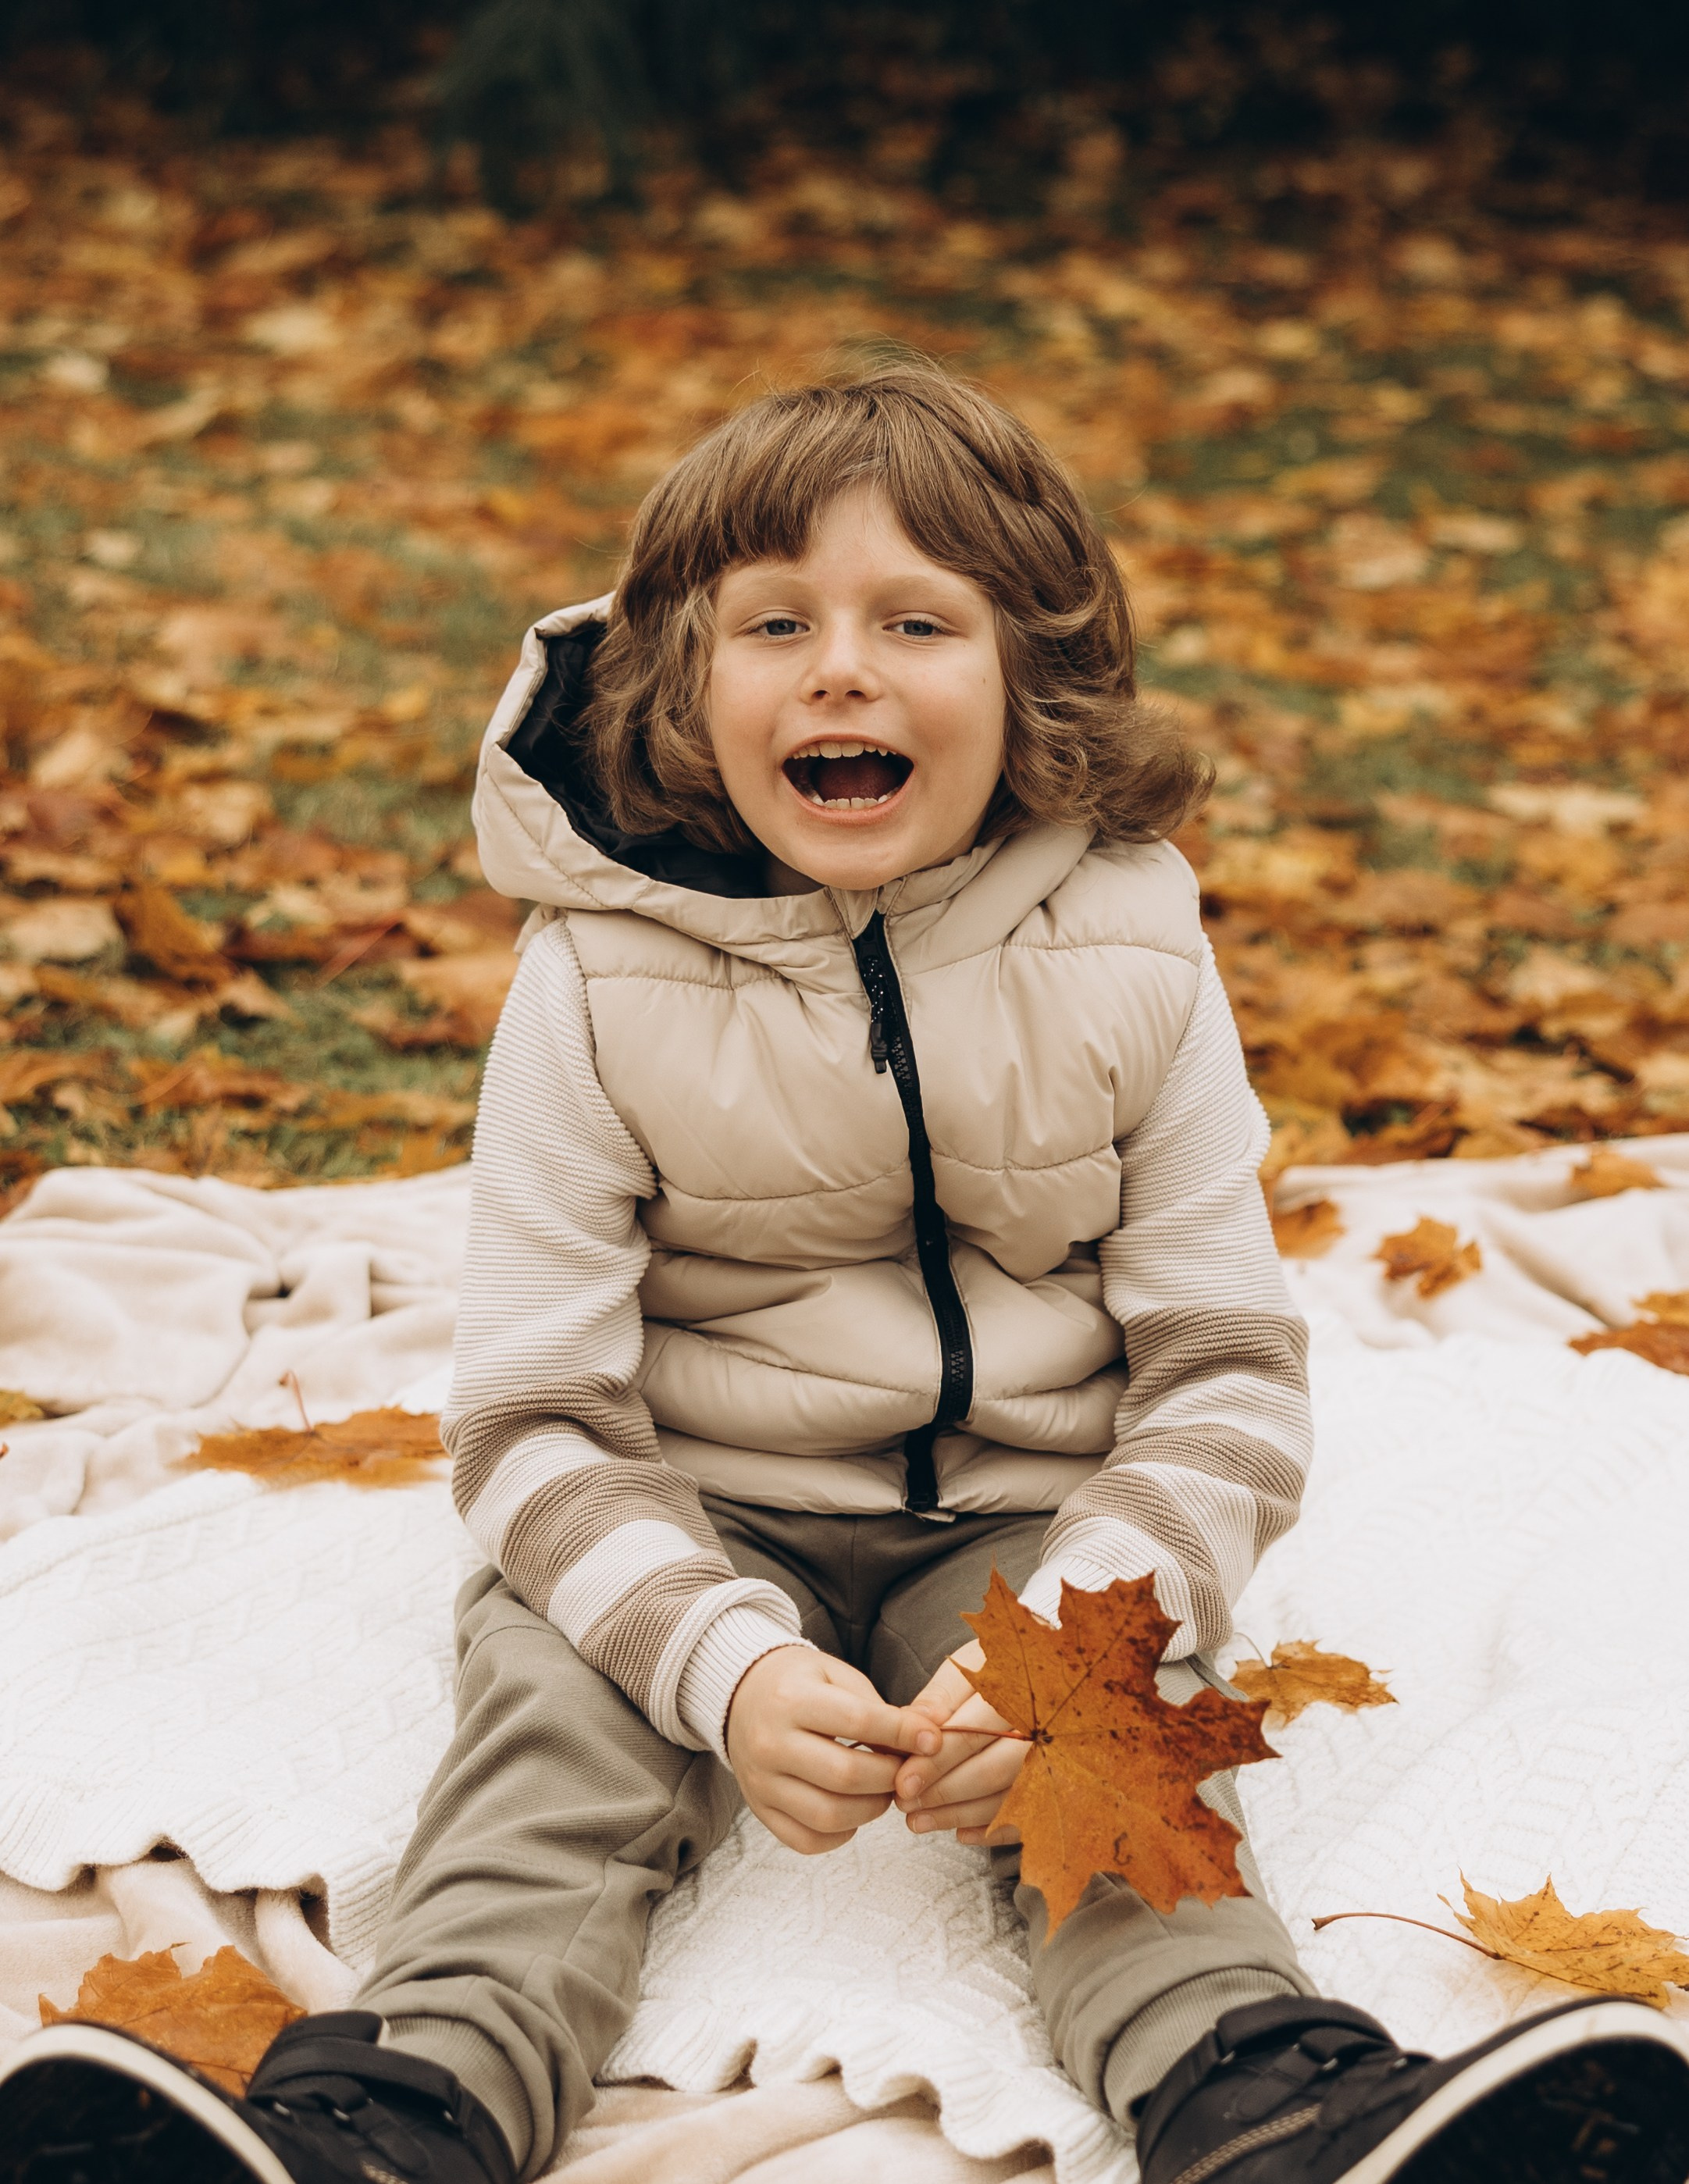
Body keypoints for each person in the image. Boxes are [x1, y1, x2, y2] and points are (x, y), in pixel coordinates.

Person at [6, 369, 1687, 2184]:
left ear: (1030, 675)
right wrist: (714, 1660)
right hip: (691, 1498)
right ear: (683, 683)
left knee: (1116, 1761)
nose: (838, 671)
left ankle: (1264, 2094)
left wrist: (1082, 1620)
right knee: (553, 1741)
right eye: (775, 626)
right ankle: (398, 2111)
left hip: (1033, 1511)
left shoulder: (1130, 937)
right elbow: (532, 1412)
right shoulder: (593, 981)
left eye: (914, 622)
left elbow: (1221, 1369)